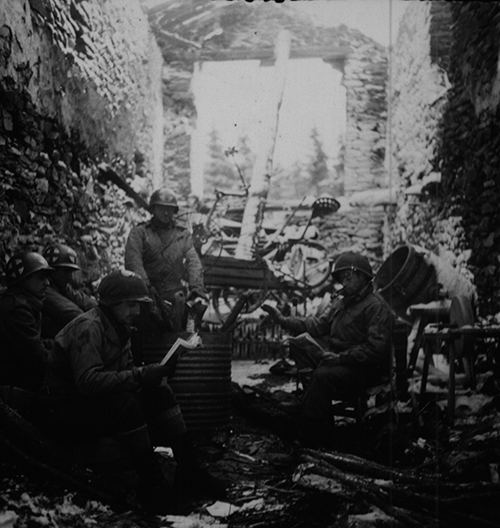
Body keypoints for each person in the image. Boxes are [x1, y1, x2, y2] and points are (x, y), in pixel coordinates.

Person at [46, 269, 224, 511]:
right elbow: (87, 382)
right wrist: (139, 375)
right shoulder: (89, 328)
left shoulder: (119, 327)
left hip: (97, 404)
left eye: (139, 305)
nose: (137, 312)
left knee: (160, 392)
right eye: (131, 305)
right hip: (70, 410)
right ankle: (153, 486)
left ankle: (189, 471)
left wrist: (153, 376)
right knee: (126, 404)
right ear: (112, 304)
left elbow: (124, 373)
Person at [262, 251, 394, 446]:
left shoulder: (377, 307)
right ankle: (318, 424)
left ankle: (314, 438)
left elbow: (375, 350)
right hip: (341, 362)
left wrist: (340, 358)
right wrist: (283, 320)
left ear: (362, 277)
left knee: (323, 377)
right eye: (342, 280)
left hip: (365, 370)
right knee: (305, 359)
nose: (344, 283)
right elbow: (318, 325)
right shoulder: (342, 303)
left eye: (348, 278)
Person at [124, 188, 206, 332]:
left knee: (180, 333)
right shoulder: (140, 232)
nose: (166, 213)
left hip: (174, 296)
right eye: (161, 208)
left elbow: (193, 262)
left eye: (170, 209)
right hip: (147, 294)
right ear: (153, 209)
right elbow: (133, 262)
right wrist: (146, 287)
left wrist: (197, 289)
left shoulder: (182, 235)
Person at [0, 251, 53, 393]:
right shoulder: (18, 308)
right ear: (23, 280)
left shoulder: (24, 302)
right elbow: (38, 357)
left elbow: (35, 342)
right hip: (13, 385)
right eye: (41, 278)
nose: (47, 283)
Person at [41, 243, 96, 338]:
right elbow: (73, 314)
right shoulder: (44, 290)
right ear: (52, 270)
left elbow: (85, 302)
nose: (70, 277)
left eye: (70, 272)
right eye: (66, 271)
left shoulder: (61, 285)